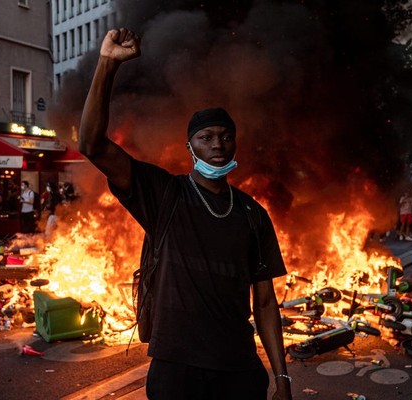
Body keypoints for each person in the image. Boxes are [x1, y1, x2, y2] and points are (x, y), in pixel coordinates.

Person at [79, 28, 291, 400]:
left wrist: (282, 377)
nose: (217, 145)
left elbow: (266, 302)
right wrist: (108, 64)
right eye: (206, 137)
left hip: (239, 368)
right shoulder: (165, 195)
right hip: (177, 370)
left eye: (225, 136)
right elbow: (91, 144)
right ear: (189, 146)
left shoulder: (252, 213)